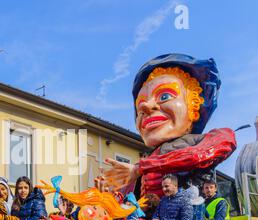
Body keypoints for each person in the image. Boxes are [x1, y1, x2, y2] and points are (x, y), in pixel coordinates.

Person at [96, 54, 236, 198]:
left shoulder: (213, 137)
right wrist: (111, 193)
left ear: (194, 105)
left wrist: (141, 168)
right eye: (139, 106)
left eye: (165, 96)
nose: (145, 106)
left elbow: (196, 156)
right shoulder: (145, 162)